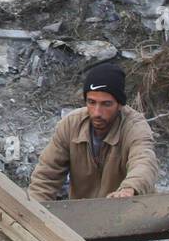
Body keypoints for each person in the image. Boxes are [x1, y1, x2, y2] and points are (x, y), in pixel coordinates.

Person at [27, 63, 158, 201]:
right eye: (91, 102)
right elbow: (46, 176)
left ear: (119, 104)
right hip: (84, 213)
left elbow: (144, 162)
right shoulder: (71, 125)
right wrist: (33, 211)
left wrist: (129, 189)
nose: (97, 113)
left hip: (128, 210)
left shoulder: (134, 127)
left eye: (106, 104)